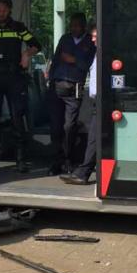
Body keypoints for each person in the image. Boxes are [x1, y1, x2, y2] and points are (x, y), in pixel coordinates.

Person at [0, 0, 42, 173]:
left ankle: (21, 160)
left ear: (10, 10)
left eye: (4, 9)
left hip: (15, 76)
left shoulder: (18, 27)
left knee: (17, 117)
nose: (1, 13)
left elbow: (36, 45)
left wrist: (26, 54)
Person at [48, 13, 96, 175]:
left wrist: (74, 60)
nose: (74, 28)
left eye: (77, 25)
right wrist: (50, 81)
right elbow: (55, 60)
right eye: (72, 25)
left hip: (74, 88)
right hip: (57, 86)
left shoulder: (90, 41)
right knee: (55, 127)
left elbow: (89, 65)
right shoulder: (65, 39)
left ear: (83, 26)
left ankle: (68, 159)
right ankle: (56, 161)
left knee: (69, 126)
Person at [61, 27, 98, 185]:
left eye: (96, 36)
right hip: (97, 101)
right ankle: (84, 171)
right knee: (93, 138)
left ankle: (83, 173)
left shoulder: (105, 53)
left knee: (94, 138)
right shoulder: (96, 53)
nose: (93, 39)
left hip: (104, 101)